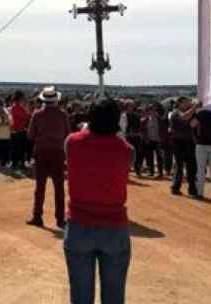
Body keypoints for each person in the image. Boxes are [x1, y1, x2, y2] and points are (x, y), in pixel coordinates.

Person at [63, 98, 132, 304]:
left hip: (79, 225)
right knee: (114, 295)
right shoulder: (126, 150)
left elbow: (76, 143)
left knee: (80, 295)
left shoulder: (72, 142)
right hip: (114, 226)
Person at [27, 86, 71, 228]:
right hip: (58, 153)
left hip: (41, 152)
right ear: (56, 100)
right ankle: (60, 219)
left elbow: (30, 135)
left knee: (40, 187)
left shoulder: (37, 115)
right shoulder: (63, 115)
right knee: (59, 188)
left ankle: (37, 216)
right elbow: (68, 134)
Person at [168, 97, 198, 197]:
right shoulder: (176, 112)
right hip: (178, 142)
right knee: (179, 165)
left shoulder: (189, 113)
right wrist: (195, 106)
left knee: (191, 166)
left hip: (189, 142)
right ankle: (175, 187)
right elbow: (184, 117)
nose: (188, 104)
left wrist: (197, 113)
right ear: (180, 103)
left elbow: (193, 124)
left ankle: (192, 189)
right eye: (186, 102)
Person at [139, 103, 165, 178]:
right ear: (149, 111)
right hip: (149, 141)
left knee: (159, 157)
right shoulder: (144, 120)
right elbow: (142, 131)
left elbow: (163, 130)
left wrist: (162, 139)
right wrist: (145, 139)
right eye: (151, 109)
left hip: (158, 141)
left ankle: (160, 172)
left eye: (155, 110)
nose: (153, 111)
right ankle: (151, 172)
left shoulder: (160, 119)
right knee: (149, 157)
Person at [8, 91, 30, 169]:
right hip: (20, 131)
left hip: (14, 131)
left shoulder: (12, 107)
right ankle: (21, 163)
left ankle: (14, 163)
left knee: (14, 148)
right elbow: (27, 116)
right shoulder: (19, 107)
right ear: (20, 98)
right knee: (21, 149)